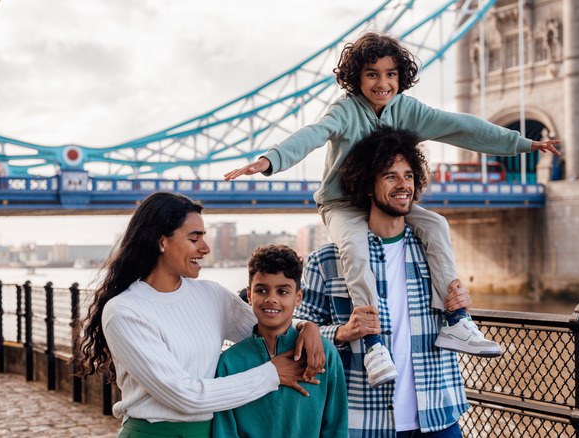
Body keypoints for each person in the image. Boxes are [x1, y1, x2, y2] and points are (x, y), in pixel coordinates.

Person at [226, 32, 560, 387]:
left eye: (390, 74)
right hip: (343, 203)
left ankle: (457, 322)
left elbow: (460, 126)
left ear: (400, 77)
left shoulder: (408, 110)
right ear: (357, 78)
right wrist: (269, 160)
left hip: (387, 197)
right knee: (353, 248)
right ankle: (372, 345)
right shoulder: (344, 110)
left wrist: (522, 143)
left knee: (435, 225)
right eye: (372, 74)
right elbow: (312, 133)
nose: (382, 83)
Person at [72, 192, 326, 438]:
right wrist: (271, 374)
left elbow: (269, 331)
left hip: (210, 432)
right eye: (195, 239)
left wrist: (306, 326)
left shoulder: (211, 295)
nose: (205, 248)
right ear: (161, 242)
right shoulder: (124, 311)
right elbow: (184, 396)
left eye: (204, 237)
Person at [295, 126, 477, 437]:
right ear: (368, 185)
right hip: (364, 422)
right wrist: (342, 332)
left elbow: (450, 323)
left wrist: (460, 306)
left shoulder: (433, 253)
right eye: (390, 176)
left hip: (438, 416)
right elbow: (297, 330)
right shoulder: (326, 261)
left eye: (408, 175)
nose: (403, 184)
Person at [212, 245, 348, 438]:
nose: (271, 299)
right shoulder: (229, 363)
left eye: (282, 291)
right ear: (249, 295)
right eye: (262, 290)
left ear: (298, 297)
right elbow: (224, 432)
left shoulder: (323, 353)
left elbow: (336, 428)